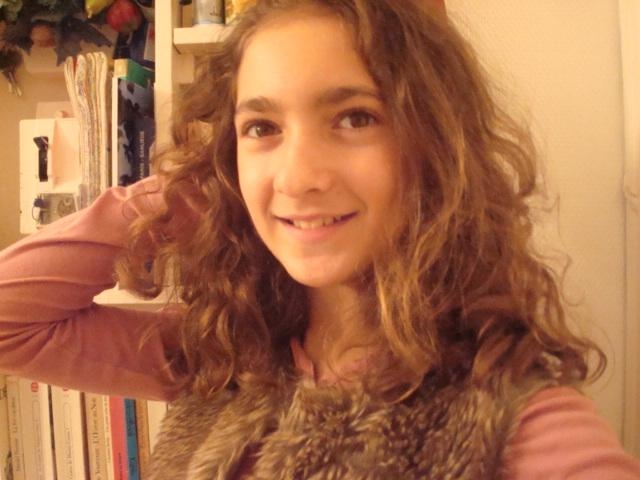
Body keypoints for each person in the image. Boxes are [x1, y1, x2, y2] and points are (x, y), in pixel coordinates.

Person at [1, 0, 639, 478]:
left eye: (355, 118)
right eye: (262, 127)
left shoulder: (513, 423)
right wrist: (200, 189)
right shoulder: (222, 354)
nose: (298, 177)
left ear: (437, 146)